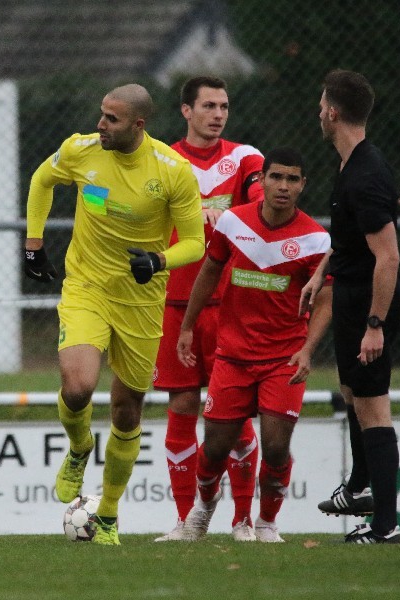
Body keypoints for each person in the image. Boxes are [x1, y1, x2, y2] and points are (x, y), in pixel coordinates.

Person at [24, 83, 204, 545]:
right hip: (86, 287)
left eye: (112, 119)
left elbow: (195, 242)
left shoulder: (172, 171)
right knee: (79, 386)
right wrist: (33, 242)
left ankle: (106, 514)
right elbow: (42, 181)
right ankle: (81, 445)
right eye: (101, 115)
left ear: (138, 125)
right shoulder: (81, 150)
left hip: (142, 300)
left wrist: (158, 260)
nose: (100, 125)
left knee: (127, 411)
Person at [179, 147, 332, 543]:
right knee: (214, 448)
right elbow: (209, 271)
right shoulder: (232, 221)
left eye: (292, 179)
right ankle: (203, 509)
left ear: (302, 186)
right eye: (276, 177)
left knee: (277, 446)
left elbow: (327, 300)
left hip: (284, 356)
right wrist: (187, 327)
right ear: (261, 181)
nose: (283, 186)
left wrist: (307, 349)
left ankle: (265, 523)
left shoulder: (316, 238)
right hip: (232, 355)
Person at [153, 76, 264, 542]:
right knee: (181, 409)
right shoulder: (160, 159)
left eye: (224, 106)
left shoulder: (245, 158)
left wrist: (231, 216)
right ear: (186, 111)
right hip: (172, 305)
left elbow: (264, 209)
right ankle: (187, 523)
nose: (218, 114)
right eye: (208, 106)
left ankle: (243, 520)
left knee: (233, 417)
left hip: (227, 308)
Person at [303, 70, 400, 544]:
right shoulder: (349, 164)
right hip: (348, 294)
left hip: (368, 303)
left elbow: (389, 256)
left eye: (322, 104)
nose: (318, 111)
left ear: (334, 112)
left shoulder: (365, 175)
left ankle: (385, 526)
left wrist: (375, 325)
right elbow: (349, 238)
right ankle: (359, 488)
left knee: (373, 409)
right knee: (351, 393)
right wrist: (321, 271)